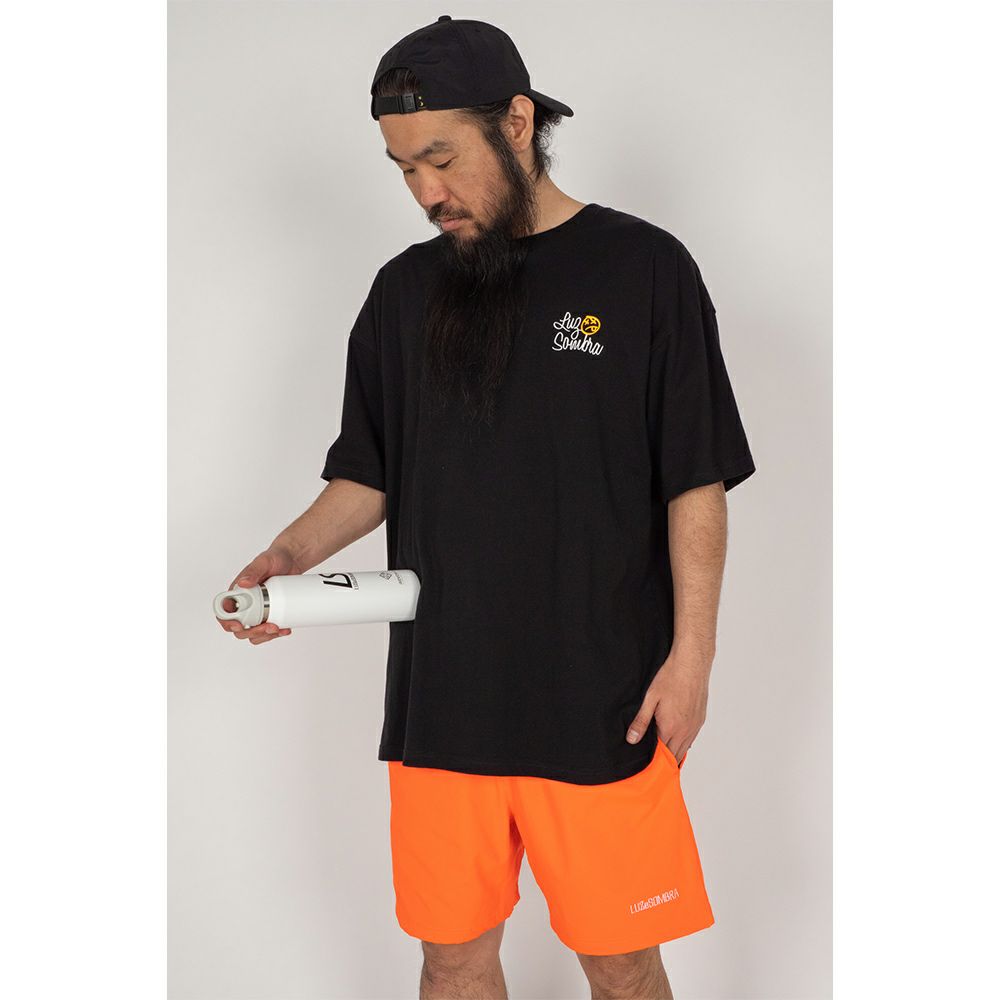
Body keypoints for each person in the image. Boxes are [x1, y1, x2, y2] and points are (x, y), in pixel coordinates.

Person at [217, 14, 755, 1000]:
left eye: (440, 158)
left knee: (622, 961)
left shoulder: (644, 270)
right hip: (442, 705)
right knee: (451, 959)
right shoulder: (401, 294)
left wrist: (693, 660)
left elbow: (696, 480)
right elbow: (369, 474)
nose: (427, 192)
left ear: (515, 123)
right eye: (403, 169)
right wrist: (285, 557)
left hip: (602, 700)